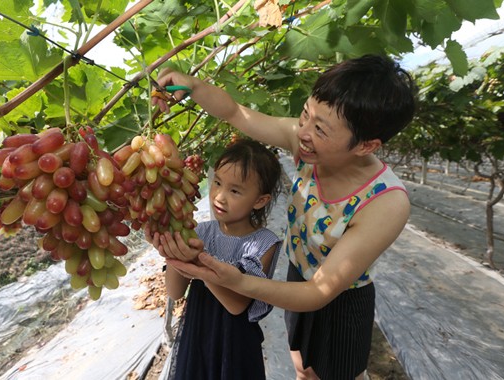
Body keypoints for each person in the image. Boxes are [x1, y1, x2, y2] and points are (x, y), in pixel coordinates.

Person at [152, 54, 417, 380]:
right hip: (298, 275)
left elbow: (320, 293)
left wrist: (237, 281)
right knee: (302, 368)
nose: (302, 131)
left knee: (339, 376)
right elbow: (236, 112)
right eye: (305, 114)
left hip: (341, 302)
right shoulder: (304, 141)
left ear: (366, 145)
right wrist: (192, 86)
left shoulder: (386, 202)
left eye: (320, 128)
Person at [146, 138, 283, 379]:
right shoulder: (201, 232)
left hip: (236, 343)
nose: (219, 196)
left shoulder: (263, 243)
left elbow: (237, 305)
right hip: (197, 335)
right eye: (217, 182)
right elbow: (175, 291)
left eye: (235, 190)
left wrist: (197, 260)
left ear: (260, 201)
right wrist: (172, 251)